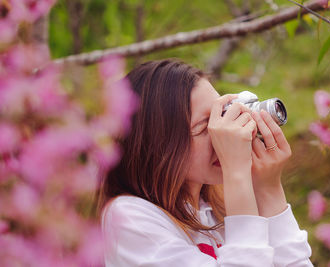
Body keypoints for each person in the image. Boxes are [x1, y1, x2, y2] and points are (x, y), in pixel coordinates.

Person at [98, 59, 313, 266]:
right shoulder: (129, 219)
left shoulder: (215, 210)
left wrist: (269, 190)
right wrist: (236, 174)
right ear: (157, 144)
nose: (223, 134)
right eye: (204, 127)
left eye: (221, 117)